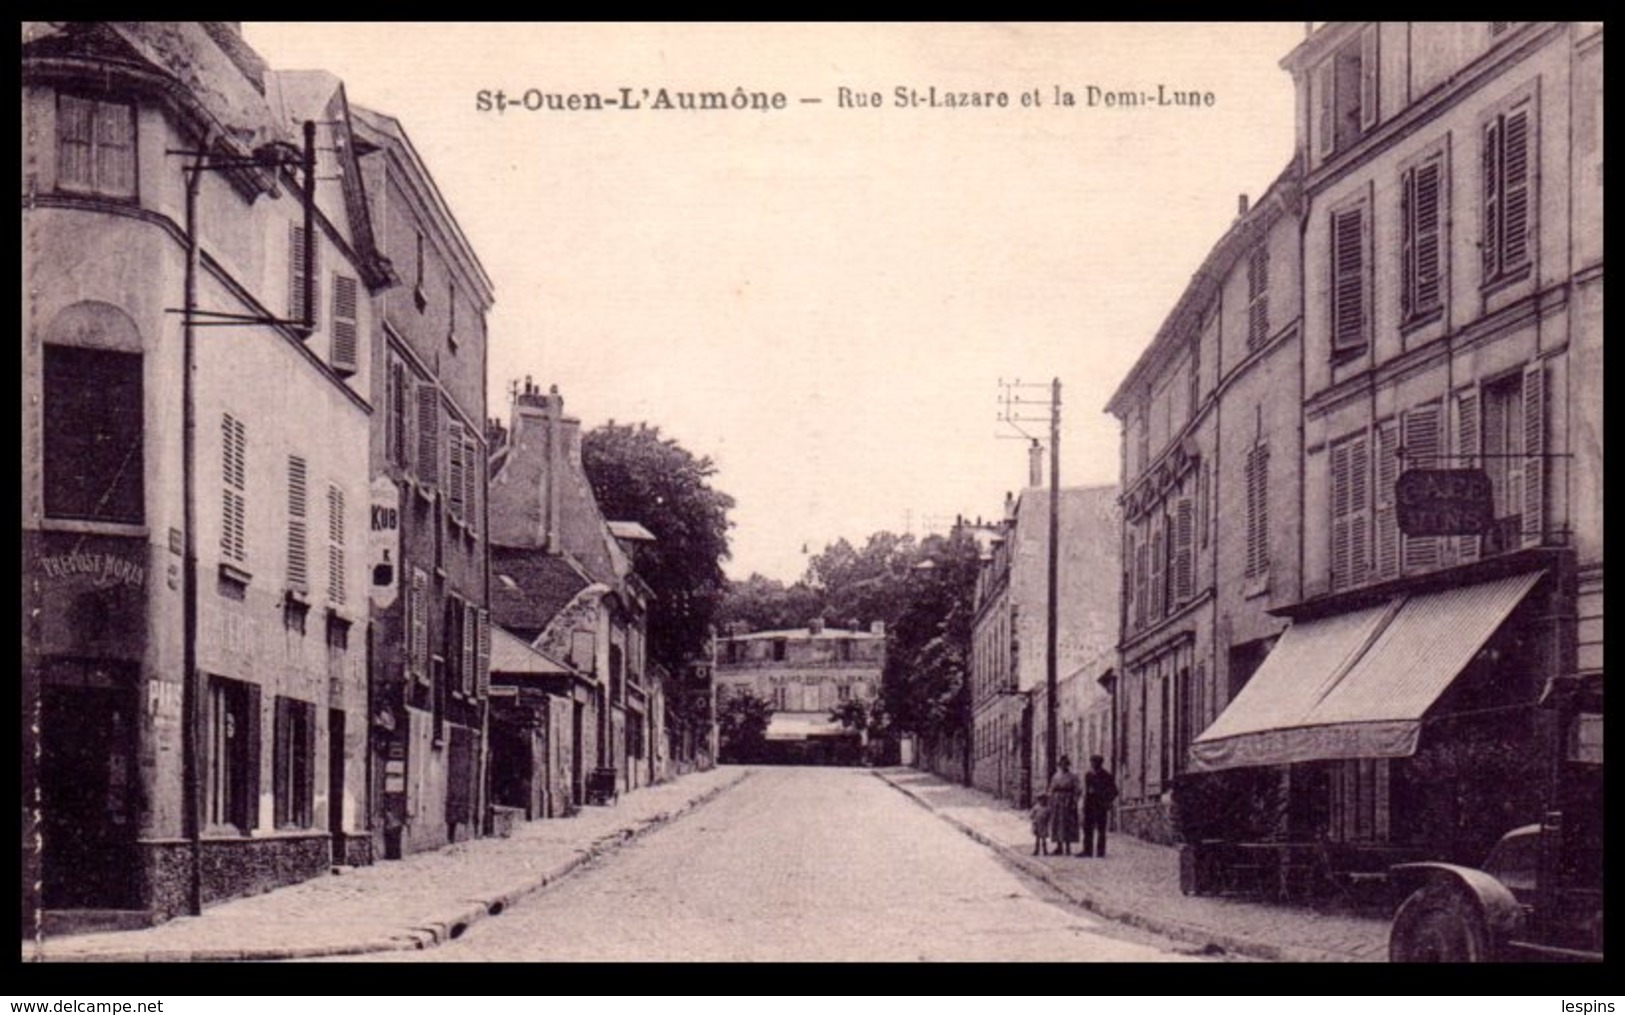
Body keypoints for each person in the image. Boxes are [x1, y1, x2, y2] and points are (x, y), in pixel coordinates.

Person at [1082, 754, 1119, 858]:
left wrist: (1107, 801)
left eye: (1095, 762)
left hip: (1100, 806)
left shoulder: (1106, 776)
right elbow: (1087, 791)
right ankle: (1087, 851)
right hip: (1089, 805)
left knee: (1101, 830)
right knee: (1088, 828)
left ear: (1100, 764)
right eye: (1092, 762)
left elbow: (1114, 791)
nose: (1093, 764)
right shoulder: (1088, 775)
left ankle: (1100, 852)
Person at [1047, 756, 1082, 856]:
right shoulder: (1056, 776)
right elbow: (1051, 789)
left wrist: (1074, 801)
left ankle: (1067, 847)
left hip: (1068, 802)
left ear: (1068, 765)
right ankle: (1059, 846)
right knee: (1057, 823)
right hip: (1057, 802)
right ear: (1059, 765)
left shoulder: (1073, 776)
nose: (1064, 766)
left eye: (1066, 764)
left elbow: (1077, 790)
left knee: (1067, 824)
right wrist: (1050, 800)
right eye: (1062, 764)